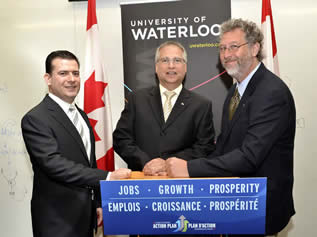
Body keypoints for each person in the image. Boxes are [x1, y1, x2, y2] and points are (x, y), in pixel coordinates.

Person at [166, 18, 296, 237]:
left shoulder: (270, 92)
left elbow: (249, 156)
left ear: (255, 48)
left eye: (234, 47)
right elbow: (224, 147)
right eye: (222, 48)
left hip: (260, 209)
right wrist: (181, 163)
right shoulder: (235, 92)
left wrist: (189, 170)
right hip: (237, 207)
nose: (226, 54)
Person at [21, 50, 131, 237]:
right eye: (63, 73)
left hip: (85, 216)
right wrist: (108, 177)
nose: (71, 79)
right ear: (48, 78)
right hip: (56, 221)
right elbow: (54, 164)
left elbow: (88, 162)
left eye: (75, 73)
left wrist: (96, 202)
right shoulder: (35, 118)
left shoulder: (81, 116)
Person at [113, 41, 215, 176]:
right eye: (165, 60)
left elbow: (205, 146)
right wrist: (145, 162)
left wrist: (168, 164)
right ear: (156, 67)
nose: (171, 65)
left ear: (185, 67)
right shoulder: (136, 99)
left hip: (181, 183)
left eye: (177, 60)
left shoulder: (201, 105)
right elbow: (121, 138)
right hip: (142, 179)